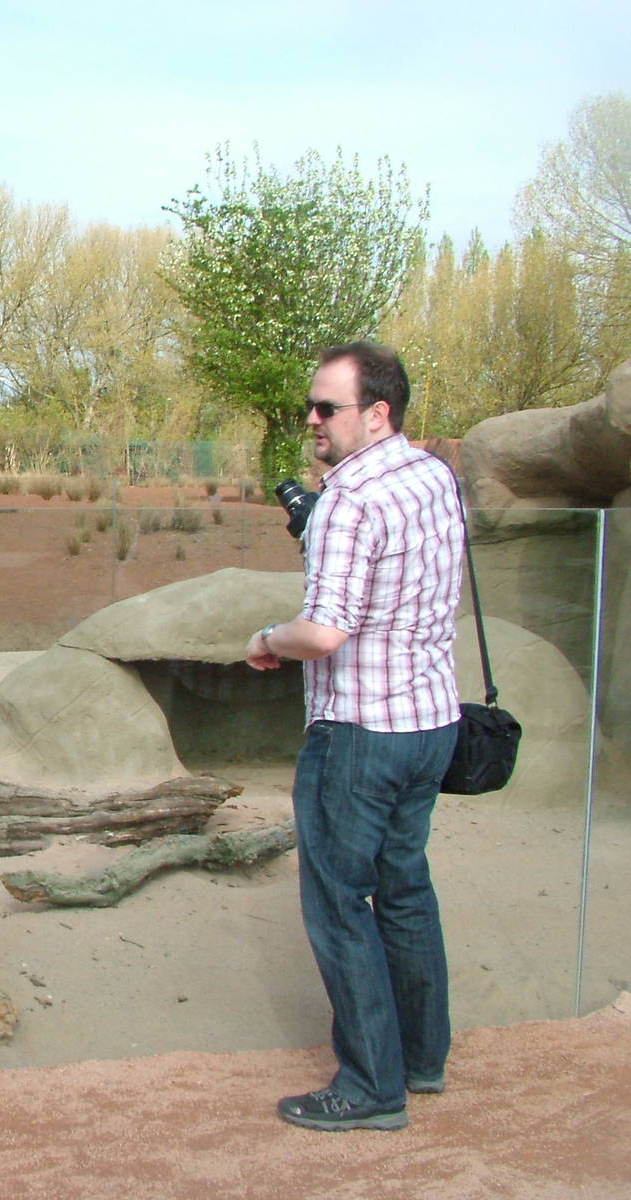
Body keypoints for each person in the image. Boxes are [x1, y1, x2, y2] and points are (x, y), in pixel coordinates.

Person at [245, 341, 464, 1133]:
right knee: (404, 888)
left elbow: (325, 632)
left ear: (377, 413)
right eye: (313, 406)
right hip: (432, 723)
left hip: (361, 734)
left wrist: (269, 636)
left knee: (340, 902)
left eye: (327, 408)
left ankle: (371, 1086)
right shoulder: (434, 476)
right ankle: (420, 1057)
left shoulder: (347, 500)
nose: (312, 420)